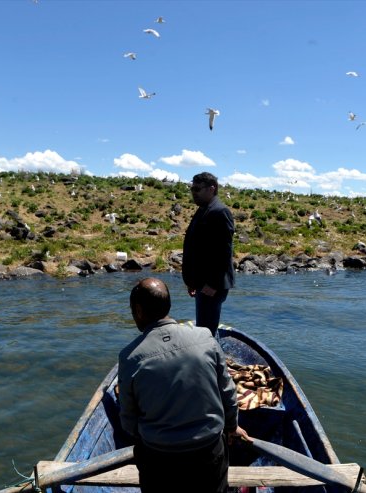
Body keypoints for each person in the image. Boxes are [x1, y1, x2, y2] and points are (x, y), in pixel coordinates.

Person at [118, 277, 250, 493]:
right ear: (168, 306)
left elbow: (128, 422)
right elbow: (228, 392)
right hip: (208, 452)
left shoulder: (130, 357)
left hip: (159, 459)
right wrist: (232, 426)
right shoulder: (205, 337)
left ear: (139, 310)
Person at [182, 172, 235, 334]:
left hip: (212, 285)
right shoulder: (203, 210)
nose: (193, 193)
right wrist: (192, 281)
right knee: (205, 329)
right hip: (202, 283)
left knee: (206, 331)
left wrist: (213, 284)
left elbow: (224, 252)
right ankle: (211, 357)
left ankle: (212, 359)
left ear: (212, 189)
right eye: (192, 189)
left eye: (197, 189)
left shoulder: (220, 212)